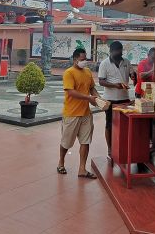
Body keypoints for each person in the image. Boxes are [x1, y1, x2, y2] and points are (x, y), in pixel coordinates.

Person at [57, 48, 100, 179]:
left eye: (85, 59)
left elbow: (92, 87)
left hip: (86, 113)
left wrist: (98, 99)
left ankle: (82, 169)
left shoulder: (87, 72)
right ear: (75, 59)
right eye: (82, 60)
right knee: (66, 142)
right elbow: (70, 92)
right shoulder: (69, 73)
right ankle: (61, 162)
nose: (84, 62)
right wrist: (88, 98)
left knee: (85, 141)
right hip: (71, 113)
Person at [98, 41, 134, 157]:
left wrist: (134, 76)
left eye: (121, 50)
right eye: (117, 50)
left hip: (124, 98)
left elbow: (132, 75)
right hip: (110, 99)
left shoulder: (126, 62)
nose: (119, 52)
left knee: (125, 124)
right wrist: (115, 85)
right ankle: (110, 148)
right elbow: (101, 81)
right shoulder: (104, 63)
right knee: (109, 124)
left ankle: (123, 146)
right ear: (111, 51)